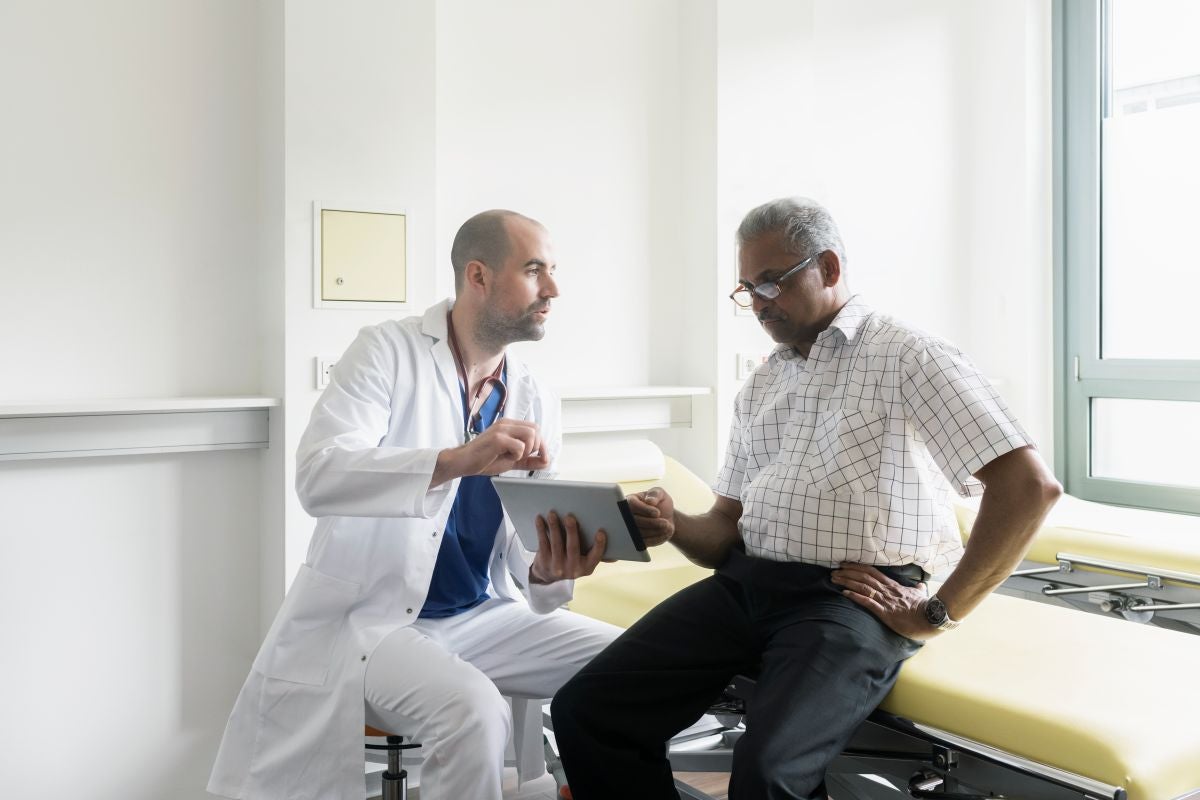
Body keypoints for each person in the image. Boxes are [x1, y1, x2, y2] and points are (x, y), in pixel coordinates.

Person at [550, 197, 1062, 800]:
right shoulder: (764, 382)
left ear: (829, 267)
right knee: (588, 710)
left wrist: (938, 613)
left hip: (847, 600)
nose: (758, 303)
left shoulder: (908, 354)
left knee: (769, 771)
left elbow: (1029, 488)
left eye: (771, 282)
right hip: (747, 585)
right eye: (747, 289)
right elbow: (724, 530)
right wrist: (674, 524)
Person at [208, 210, 619, 800]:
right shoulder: (385, 351)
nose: (552, 289)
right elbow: (318, 474)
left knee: (634, 665)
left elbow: (529, 561)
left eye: (552, 271)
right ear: (478, 276)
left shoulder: (534, 396)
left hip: (484, 614)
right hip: (375, 624)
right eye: (534, 270)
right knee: (475, 712)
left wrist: (549, 570)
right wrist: (455, 460)